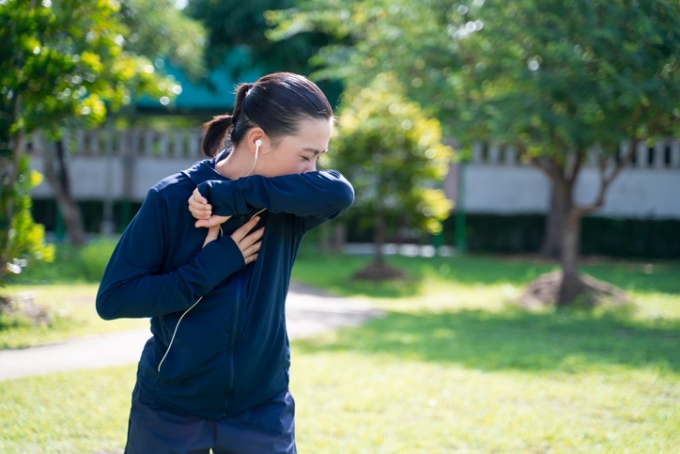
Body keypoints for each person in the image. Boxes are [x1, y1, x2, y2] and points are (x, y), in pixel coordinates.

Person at [96, 72, 354, 454]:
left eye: (319, 156)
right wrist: (214, 264)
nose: (312, 170)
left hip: (261, 408)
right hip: (170, 409)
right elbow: (115, 299)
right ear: (258, 140)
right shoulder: (172, 198)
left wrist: (232, 196)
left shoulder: (290, 204)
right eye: (306, 155)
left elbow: (340, 192)